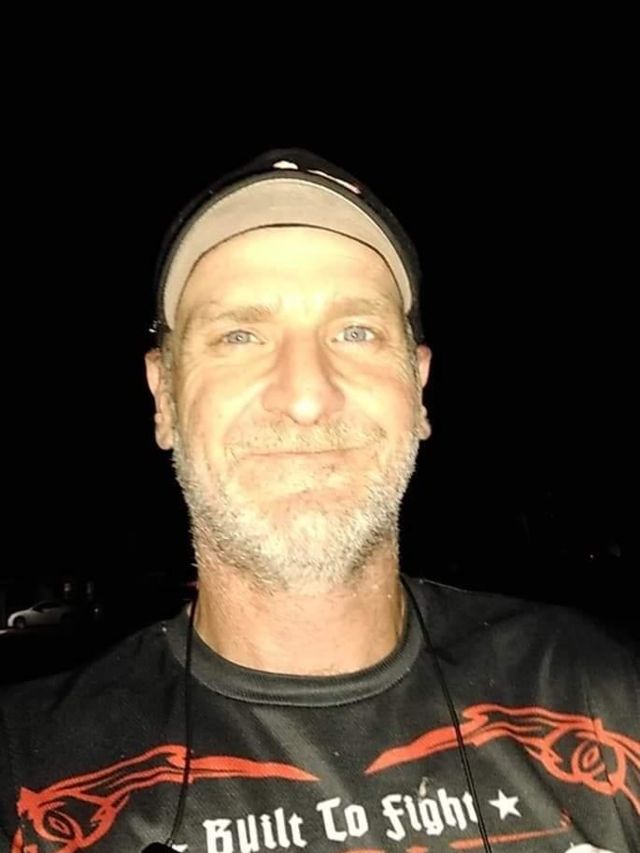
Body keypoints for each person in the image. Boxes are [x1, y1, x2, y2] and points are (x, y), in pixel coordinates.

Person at [0, 149, 637, 853]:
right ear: (165, 399)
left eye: (356, 332)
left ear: (419, 388)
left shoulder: (603, 695)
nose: (306, 396)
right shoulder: (25, 770)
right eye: (240, 335)